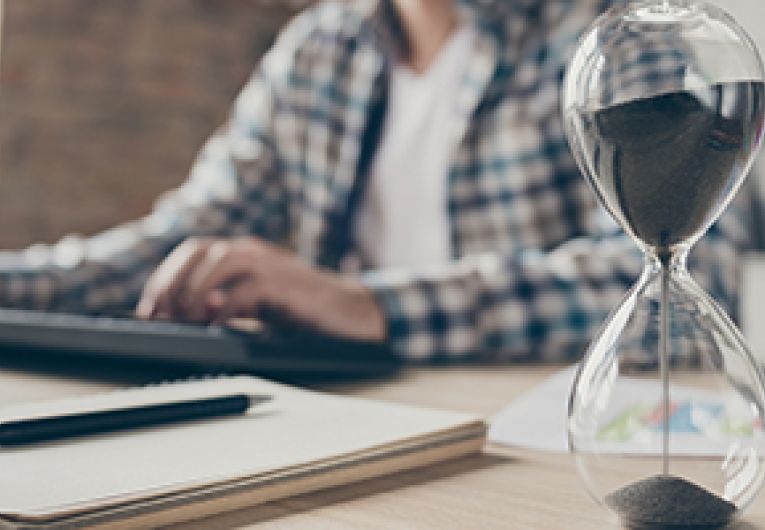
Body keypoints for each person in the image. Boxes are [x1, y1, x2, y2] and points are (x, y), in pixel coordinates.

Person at [0, 0, 762, 363]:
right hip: (368, 413)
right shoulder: (319, 48)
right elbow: (183, 236)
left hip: (532, 430)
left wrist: (365, 303)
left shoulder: (614, 35)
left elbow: (687, 279)